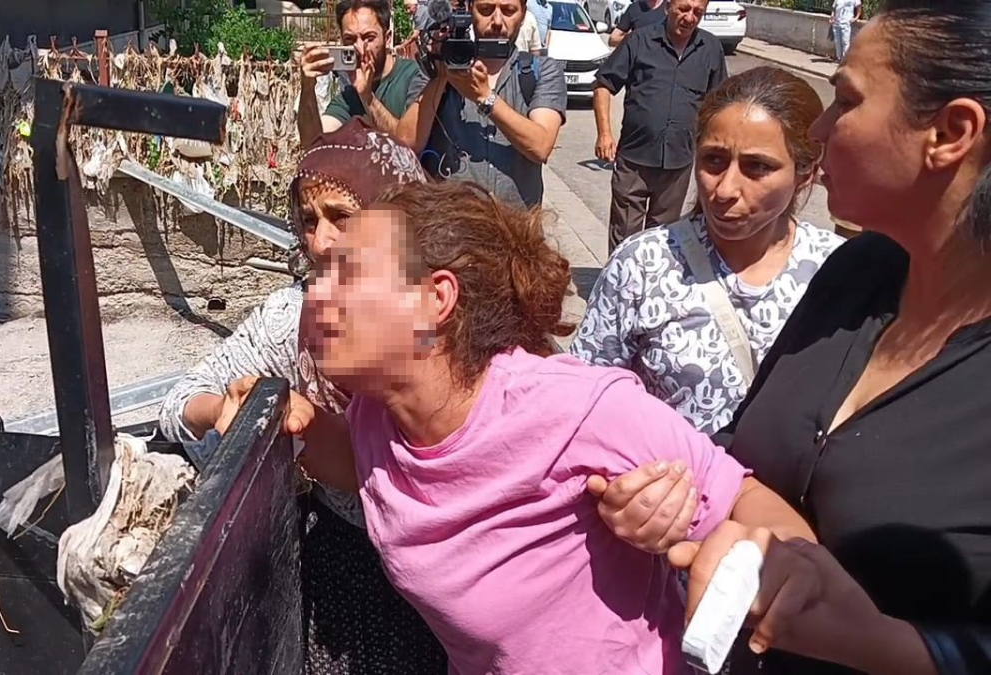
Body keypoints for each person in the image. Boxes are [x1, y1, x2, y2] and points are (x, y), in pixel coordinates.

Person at [257, 179, 814, 674]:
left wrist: (723, 557)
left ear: (436, 298)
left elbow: (765, 515)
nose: (316, 293)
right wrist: (278, 416)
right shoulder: (379, 414)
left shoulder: (576, 410)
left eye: (347, 275)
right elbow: (362, 464)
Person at [587, 2, 991, 672]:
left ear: (950, 133)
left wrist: (884, 645)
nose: (822, 129)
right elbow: (742, 453)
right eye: (714, 160)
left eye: (846, 100)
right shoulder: (858, 272)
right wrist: (683, 494)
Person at [158, 119, 447, 675]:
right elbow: (179, 403)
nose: (319, 242)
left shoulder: (444, 314)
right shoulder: (291, 319)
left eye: (342, 218)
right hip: (348, 576)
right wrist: (224, 410)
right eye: (308, 221)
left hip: (445, 568)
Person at [572, 67, 844, 434]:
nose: (725, 189)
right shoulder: (642, 265)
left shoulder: (838, 271)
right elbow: (584, 402)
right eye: (713, 159)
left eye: (757, 167)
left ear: (806, 172)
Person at [396, 0, 567, 207]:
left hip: (517, 224)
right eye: (486, 10)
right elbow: (405, 144)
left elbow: (541, 146)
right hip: (450, 222)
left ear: (523, 14)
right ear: (470, 10)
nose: (497, 21)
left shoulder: (542, 70)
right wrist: (442, 75)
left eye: (508, 11)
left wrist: (485, 97)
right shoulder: (437, 68)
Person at [593, 0, 728, 253]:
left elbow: (720, 104)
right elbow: (603, 85)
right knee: (625, 235)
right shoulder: (639, 41)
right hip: (634, 158)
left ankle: (650, 278)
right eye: (684, 9)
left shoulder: (710, 48)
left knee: (662, 238)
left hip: (678, 161)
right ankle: (620, 277)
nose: (690, 17)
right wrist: (604, 134)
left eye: (698, 12)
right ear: (668, 7)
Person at [298, 0, 427, 149]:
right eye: (350, 40)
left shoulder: (414, 76)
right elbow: (312, 143)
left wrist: (368, 98)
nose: (359, 48)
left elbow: (407, 145)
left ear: (387, 38)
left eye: (369, 38)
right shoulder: (350, 96)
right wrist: (307, 87)